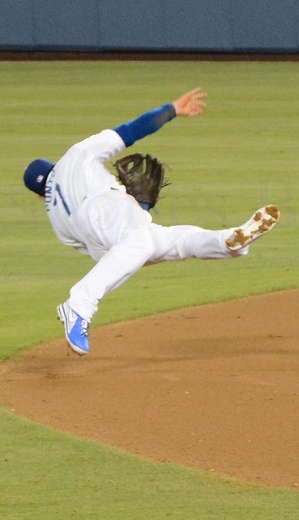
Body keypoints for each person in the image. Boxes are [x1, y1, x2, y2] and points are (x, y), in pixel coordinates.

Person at [23, 88, 280, 355]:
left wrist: (138, 212)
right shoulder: (76, 155)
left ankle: (228, 242)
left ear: (41, 197)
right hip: (104, 206)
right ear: (53, 166)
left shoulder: (55, 218)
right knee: (142, 242)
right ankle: (79, 305)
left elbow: (107, 254)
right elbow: (131, 130)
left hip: (96, 233)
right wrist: (171, 110)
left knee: (170, 242)